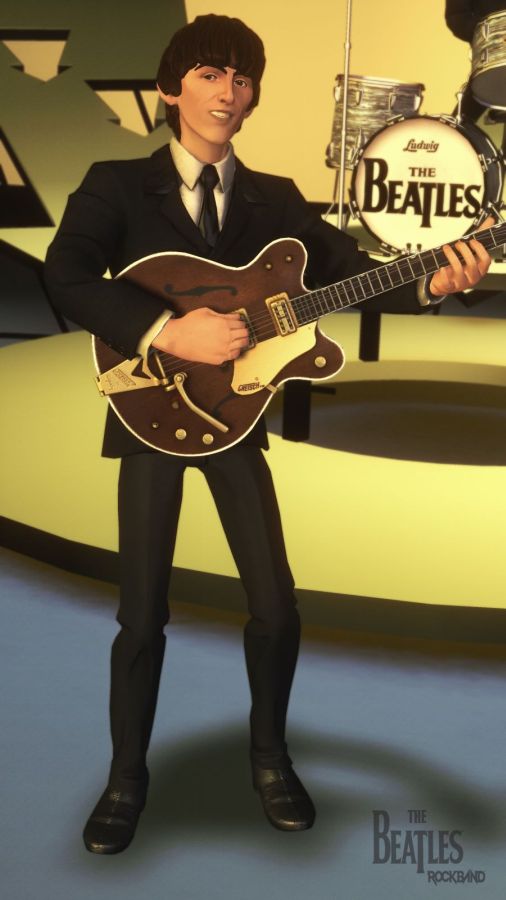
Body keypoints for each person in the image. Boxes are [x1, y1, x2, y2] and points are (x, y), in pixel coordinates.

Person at [44, 14, 491, 855]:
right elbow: (66, 277)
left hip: (237, 414)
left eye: (243, 78)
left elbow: (356, 275)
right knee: (140, 614)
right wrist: (166, 331)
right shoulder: (116, 184)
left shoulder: (274, 201)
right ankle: (126, 779)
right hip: (150, 412)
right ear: (171, 89)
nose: (229, 91)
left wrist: (434, 282)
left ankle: (270, 761)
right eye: (211, 74)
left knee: (277, 608)